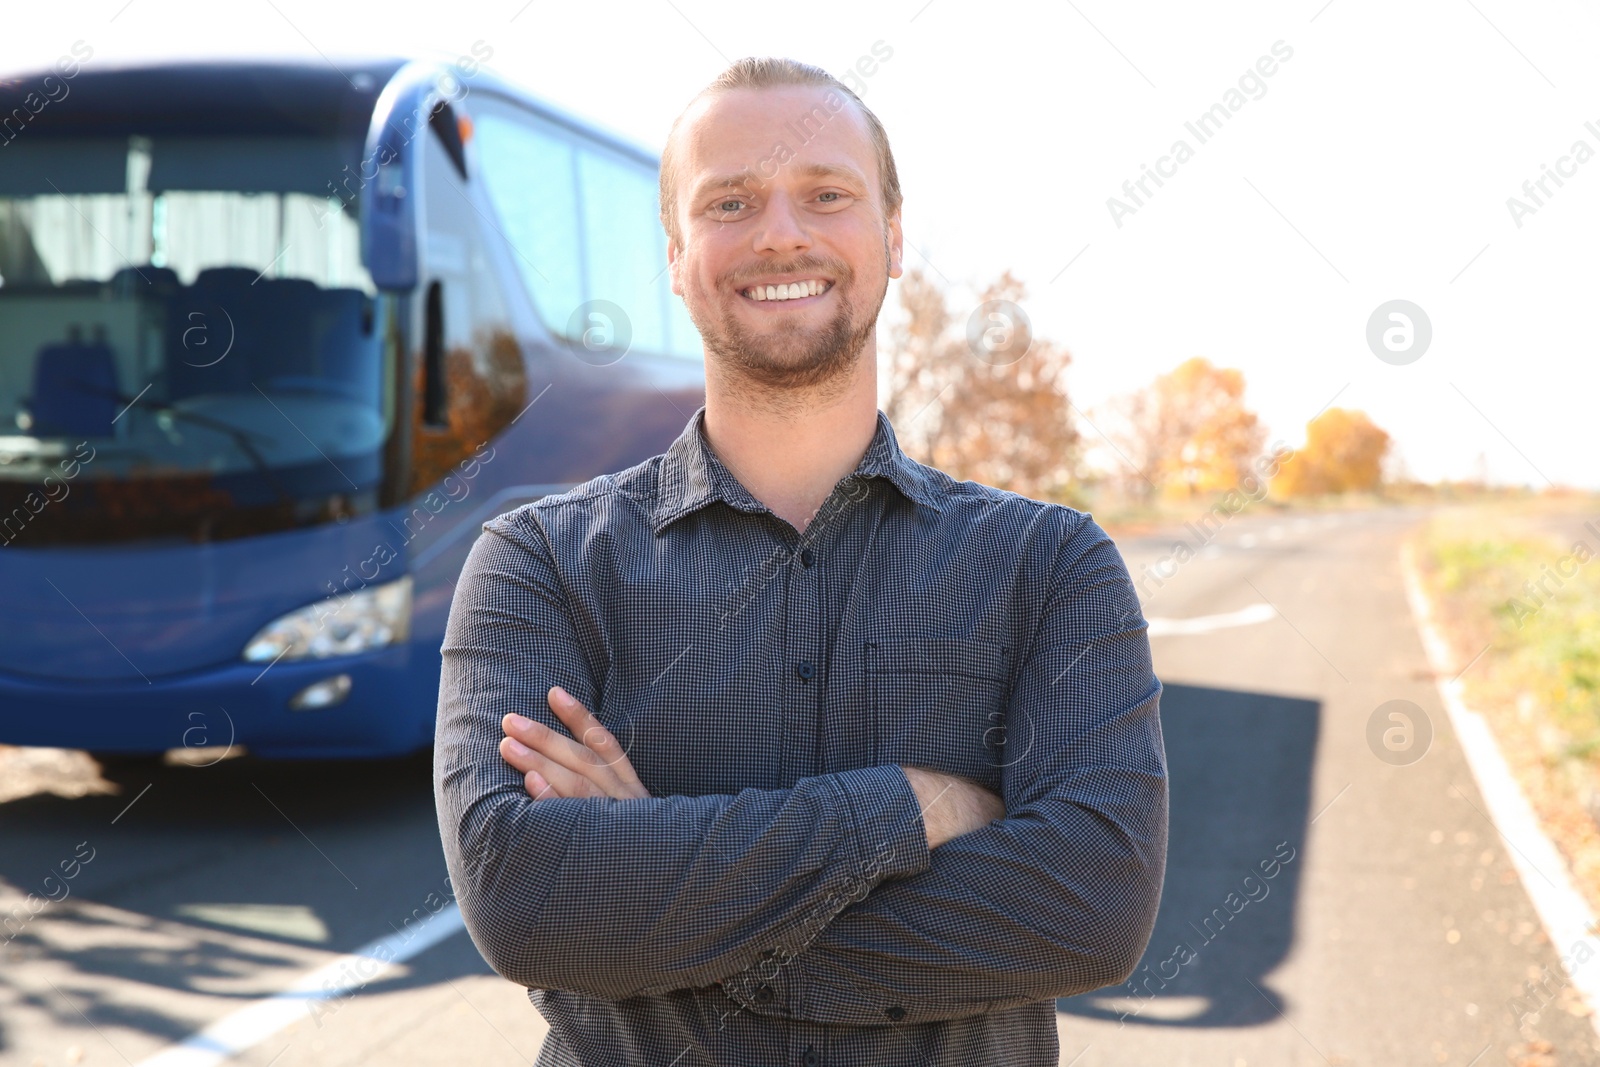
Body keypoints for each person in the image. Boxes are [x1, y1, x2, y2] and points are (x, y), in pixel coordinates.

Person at [433, 55, 1168, 1067]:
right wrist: (912, 806)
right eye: (730, 202)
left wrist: (657, 896)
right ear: (677, 255)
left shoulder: (1049, 564)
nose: (781, 231)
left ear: (893, 234)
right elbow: (527, 901)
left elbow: (1091, 905)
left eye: (825, 193)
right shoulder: (538, 563)